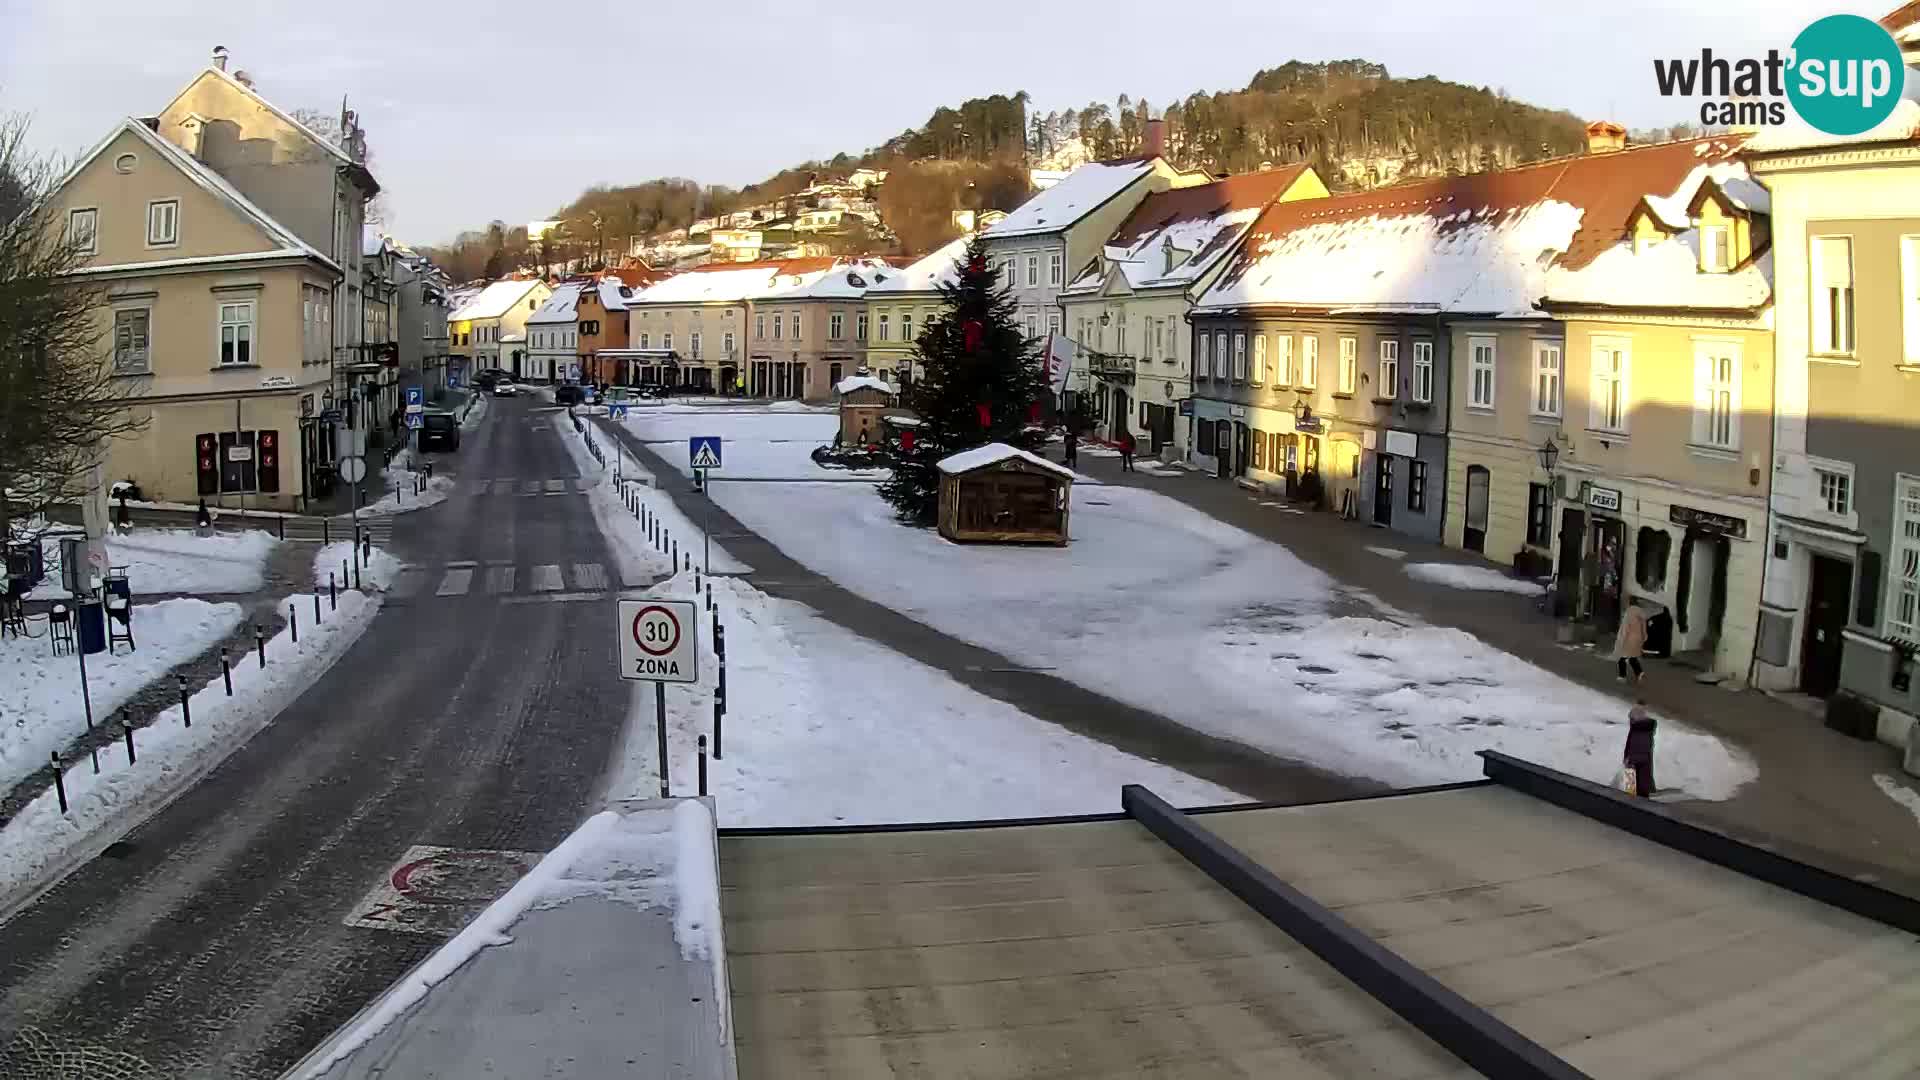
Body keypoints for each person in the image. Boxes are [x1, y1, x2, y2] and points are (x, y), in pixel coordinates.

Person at [1624, 702, 1657, 798]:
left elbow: (1629, 744)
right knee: (1643, 790)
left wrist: (1626, 757)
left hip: (1633, 759)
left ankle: (1630, 804)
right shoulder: (1648, 729)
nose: (1630, 721)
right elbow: (1649, 745)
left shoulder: (1635, 729)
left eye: (1631, 718)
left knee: (1630, 791)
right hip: (1645, 759)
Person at [1613, 601, 1648, 682]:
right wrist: (1643, 637)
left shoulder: (1629, 613)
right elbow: (1644, 629)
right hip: (1637, 639)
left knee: (1621, 657)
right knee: (1632, 657)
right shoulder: (1641, 614)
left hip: (1628, 639)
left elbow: (1625, 628)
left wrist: (1621, 639)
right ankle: (1639, 672)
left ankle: (1622, 676)